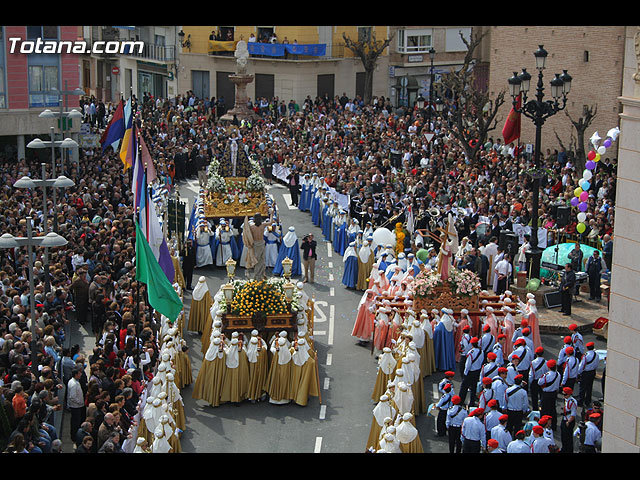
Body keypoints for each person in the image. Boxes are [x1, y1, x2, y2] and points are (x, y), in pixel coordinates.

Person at [577, 342, 600, 408]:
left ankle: (581, 401)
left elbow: (582, 365)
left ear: (587, 348)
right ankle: (588, 401)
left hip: (586, 373)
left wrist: (579, 372)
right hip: (592, 372)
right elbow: (597, 364)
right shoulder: (596, 355)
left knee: (582, 387)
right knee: (589, 387)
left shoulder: (586, 355)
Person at [67, 367, 86, 442]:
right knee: (76, 423)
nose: (80, 374)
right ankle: (74, 437)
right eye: (79, 373)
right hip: (76, 406)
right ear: (75, 375)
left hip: (76, 405)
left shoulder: (73, 382)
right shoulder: (74, 384)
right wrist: (80, 402)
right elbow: (73, 397)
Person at [560, 386, 577, 453]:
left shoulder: (572, 402)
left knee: (568, 438)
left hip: (568, 421)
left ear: (569, 394)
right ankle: (564, 449)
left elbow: (573, 414)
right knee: (563, 437)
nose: (564, 396)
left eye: (565, 394)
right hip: (564, 419)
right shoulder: (567, 400)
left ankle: (568, 450)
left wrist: (568, 421)